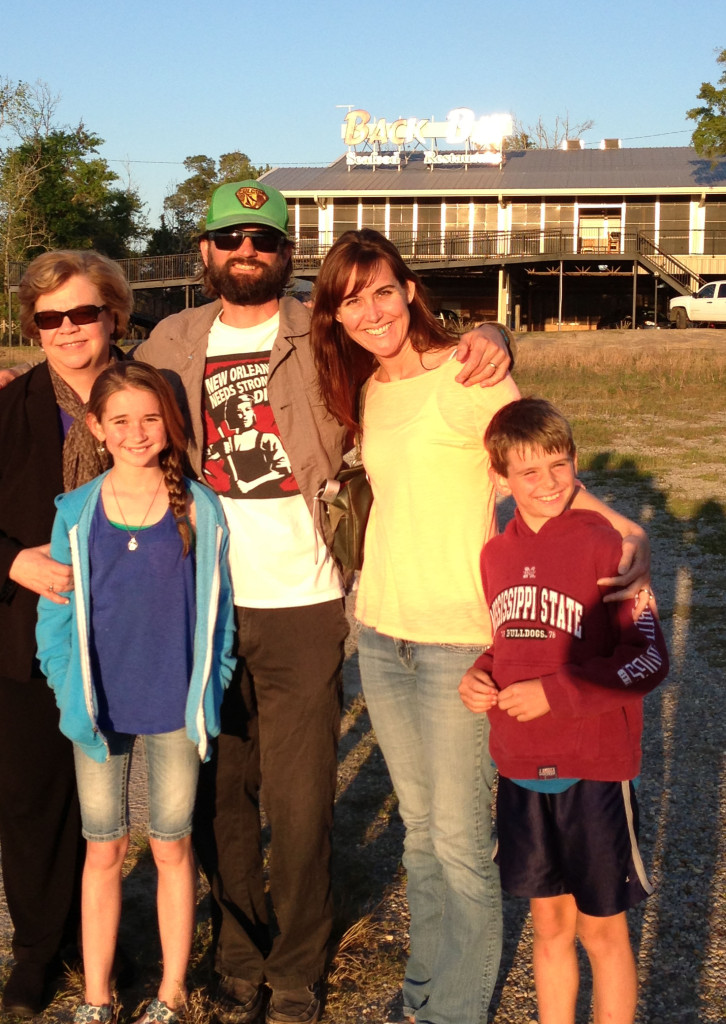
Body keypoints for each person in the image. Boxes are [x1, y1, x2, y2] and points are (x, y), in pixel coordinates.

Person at [0, 179, 514, 1024]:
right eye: (229, 240)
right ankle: (235, 956)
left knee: (300, 803)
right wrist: (10, 379)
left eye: (262, 238)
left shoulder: (326, 329)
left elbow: (413, 345)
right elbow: (94, 383)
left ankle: (296, 969)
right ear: (205, 254)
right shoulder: (177, 336)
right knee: (223, 798)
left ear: (287, 253)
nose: (245, 252)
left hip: (305, 604)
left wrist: (491, 332)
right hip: (206, 601)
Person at [309, 229, 651, 1024]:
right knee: (419, 836)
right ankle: (427, 988)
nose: (371, 311)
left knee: (462, 844)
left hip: (461, 640)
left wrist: (624, 532)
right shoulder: (367, 391)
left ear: (410, 290)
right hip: (383, 636)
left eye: (383, 290)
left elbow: (545, 470)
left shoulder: (469, 377)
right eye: (350, 299)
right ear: (334, 316)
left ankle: (456, 1012)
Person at [0, 250, 133, 1017]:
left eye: (83, 312)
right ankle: (36, 952)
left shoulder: (146, 395)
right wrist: (14, 562)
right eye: (49, 319)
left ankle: (102, 945)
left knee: (104, 805)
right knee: (29, 802)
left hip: (122, 634)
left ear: (113, 312)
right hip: (20, 640)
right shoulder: (9, 407)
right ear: (34, 328)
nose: (68, 329)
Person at [36, 362, 236, 1024]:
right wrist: (67, 687)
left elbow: (220, 618)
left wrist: (213, 686)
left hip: (176, 711)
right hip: (98, 710)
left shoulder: (201, 510)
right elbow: (55, 619)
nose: (136, 432)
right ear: (96, 427)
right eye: (119, 420)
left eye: (150, 418)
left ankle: (172, 991)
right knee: (105, 848)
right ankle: (97, 997)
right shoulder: (76, 512)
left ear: (169, 426)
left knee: (170, 844)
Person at [459, 397, 668, 1024]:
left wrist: (558, 693)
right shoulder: (494, 555)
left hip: (594, 766)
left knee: (601, 931)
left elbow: (650, 656)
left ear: (575, 462)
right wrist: (481, 674)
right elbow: (510, 641)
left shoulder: (613, 547)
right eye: (528, 472)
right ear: (500, 480)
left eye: (559, 465)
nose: (548, 483)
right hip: (521, 766)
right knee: (548, 924)